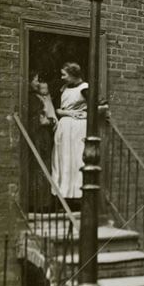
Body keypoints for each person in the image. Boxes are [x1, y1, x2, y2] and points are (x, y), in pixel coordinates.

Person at [51, 62, 88, 205]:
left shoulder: (85, 88)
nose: (62, 77)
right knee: (62, 159)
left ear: (73, 75)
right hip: (64, 128)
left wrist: (84, 114)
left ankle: (77, 196)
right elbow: (58, 109)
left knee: (76, 159)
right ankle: (63, 195)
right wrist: (68, 112)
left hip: (77, 128)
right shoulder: (64, 88)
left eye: (64, 74)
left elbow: (98, 106)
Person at [27, 71, 57, 210]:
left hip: (42, 135)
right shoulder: (34, 99)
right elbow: (40, 120)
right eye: (36, 80)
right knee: (40, 166)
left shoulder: (41, 98)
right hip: (38, 136)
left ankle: (43, 203)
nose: (38, 83)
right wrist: (49, 122)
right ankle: (39, 203)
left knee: (43, 165)